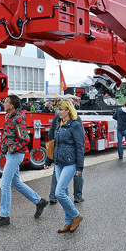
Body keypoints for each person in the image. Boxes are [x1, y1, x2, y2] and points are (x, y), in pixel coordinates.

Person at [0, 94, 48, 228]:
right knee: (15, 182)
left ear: (12, 106)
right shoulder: (9, 116)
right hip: (12, 154)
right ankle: (39, 201)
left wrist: (11, 149)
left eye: (6, 102)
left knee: (5, 183)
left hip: (15, 155)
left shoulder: (18, 118)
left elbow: (25, 139)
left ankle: (4, 216)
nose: (4, 104)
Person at [44, 99, 85, 233]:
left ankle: (76, 215)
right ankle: (68, 222)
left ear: (68, 110)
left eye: (61, 109)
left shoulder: (75, 125)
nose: (58, 112)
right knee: (65, 193)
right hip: (59, 162)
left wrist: (80, 167)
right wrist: (49, 160)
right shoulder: (59, 123)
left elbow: (80, 146)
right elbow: (54, 143)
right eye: (58, 109)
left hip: (70, 162)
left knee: (59, 192)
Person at [48, 106, 84, 204]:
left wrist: (53, 145)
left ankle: (53, 196)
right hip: (69, 155)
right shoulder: (76, 119)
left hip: (60, 153)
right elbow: (81, 137)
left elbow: (51, 131)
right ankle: (78, 196)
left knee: (57, 174)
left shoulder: (57, 118)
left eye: (60, 109)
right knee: (77, 175)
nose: (59, 111)